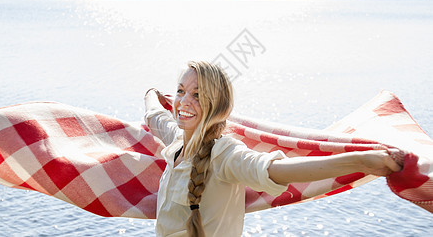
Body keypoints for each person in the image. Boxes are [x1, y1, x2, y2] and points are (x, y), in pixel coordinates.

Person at [144, 61, 401, 237]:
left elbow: (279, 170)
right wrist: (151, 93)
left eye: (197, 95)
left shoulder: (225, 155)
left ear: (217, 106)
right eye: (180, 91)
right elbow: (155, 117)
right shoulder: (178, 142)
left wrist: (360, 162)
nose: (184, 101)